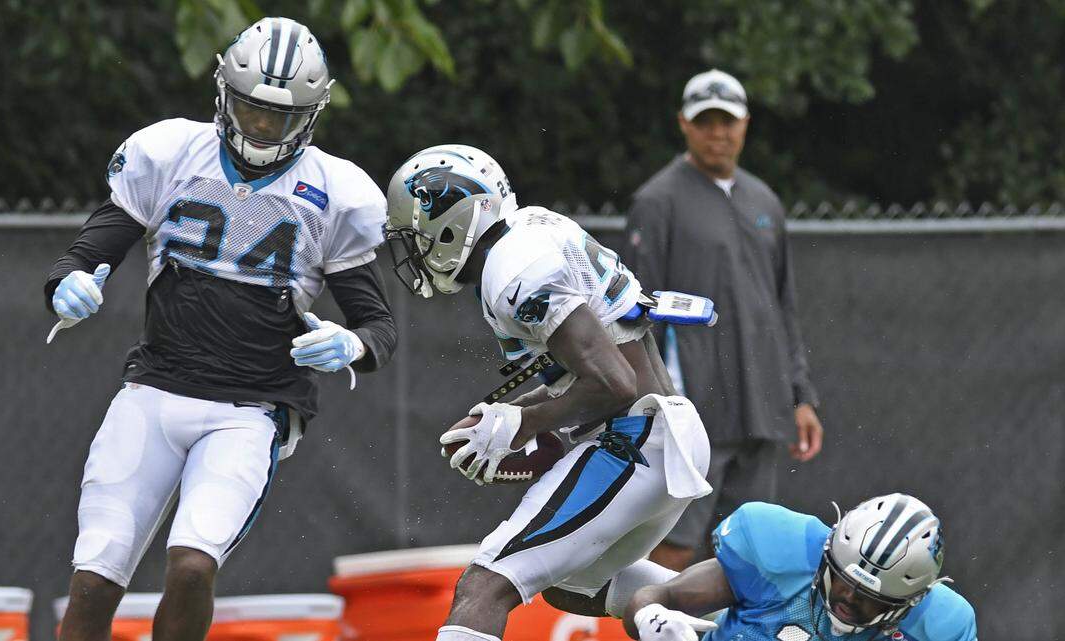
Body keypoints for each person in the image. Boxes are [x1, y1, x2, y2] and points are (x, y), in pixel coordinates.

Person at [44, 17, 396, 641]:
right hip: (155, 389)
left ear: (312, 114)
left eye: (280, 117)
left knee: (192, 566)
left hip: (251, 408)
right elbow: (88, 250)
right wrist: (67, 284)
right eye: (252, 109)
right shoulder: (169, 153)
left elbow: (378, 327)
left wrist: (352, 345)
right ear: (223, 92)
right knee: (96, 575)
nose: (262, 127)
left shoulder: (339, 191)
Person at [383, 144, 716, 641]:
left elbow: (613, 383)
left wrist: (524, 424)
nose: (418, 250)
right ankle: (739, 624)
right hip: (660, 433)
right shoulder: (529, 230)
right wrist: (504, 416)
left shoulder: (513, 270)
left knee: (484, 585)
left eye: (421, 234)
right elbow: (592, 366)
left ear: (453, 222)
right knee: (575, 587)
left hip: (635, 440)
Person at [622, 69, 824, 571]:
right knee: (673, 542)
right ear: (684, 125)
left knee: (750, 548)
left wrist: (800, 396)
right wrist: (647, 402)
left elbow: (783, 305)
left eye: (727, 121)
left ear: (746, 124)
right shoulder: (657, 201)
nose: (719, 132)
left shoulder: (765, 202)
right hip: (695, 408)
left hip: (764, 403)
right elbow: (632, 314)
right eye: (706, 121)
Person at [624, 494, 977, 641]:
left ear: (908, 601)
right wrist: (653, 619)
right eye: (842, 579)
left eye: (869, 597)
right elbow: (656, 595)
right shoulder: (780, 550)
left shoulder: (940, 627)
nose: (848, 598)